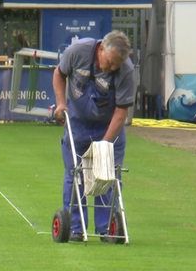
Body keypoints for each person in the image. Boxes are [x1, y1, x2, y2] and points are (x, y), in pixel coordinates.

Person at [52, 30, 135, 242]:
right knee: (75, 174)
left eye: (117, 64)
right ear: (101, 49)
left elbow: (121, 112)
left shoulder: (126, 70)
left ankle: (107, 228)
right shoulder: (78, 51)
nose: (113, 68)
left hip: (109, 126)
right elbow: (59, 75)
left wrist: (104, 145)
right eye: (110, 62)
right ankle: (76, 229)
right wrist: (61, 103)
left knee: (106, 175)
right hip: (78, 123)